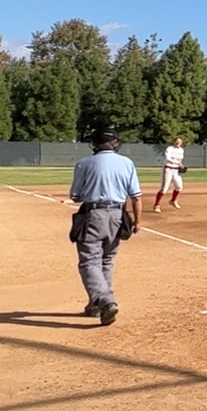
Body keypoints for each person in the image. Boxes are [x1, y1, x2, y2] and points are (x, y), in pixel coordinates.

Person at [69, 129, 143, 326]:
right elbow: (136, 196)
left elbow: (75, 196)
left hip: (93, 214)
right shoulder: (127, 163)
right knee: (107, 260)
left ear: (94, 144)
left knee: (89, 261)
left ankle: (105, 300)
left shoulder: (84, 163)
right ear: (115, 143)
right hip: (117, 215)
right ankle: (97, 305)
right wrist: (137, 222)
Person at [153, 136, 186, 212]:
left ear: (181, 143)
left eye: (180, 142)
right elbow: (168, 158)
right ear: (174, 142)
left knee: (179, 187)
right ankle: (156, 205)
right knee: (164, 189)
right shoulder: (170, 148)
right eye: (177, 141)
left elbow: (180, 160)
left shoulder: (181, 150)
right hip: (168, 169)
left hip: (176, 170)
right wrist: (177, 163)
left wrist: (181, 165)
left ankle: (173, 201)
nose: (178, 143)